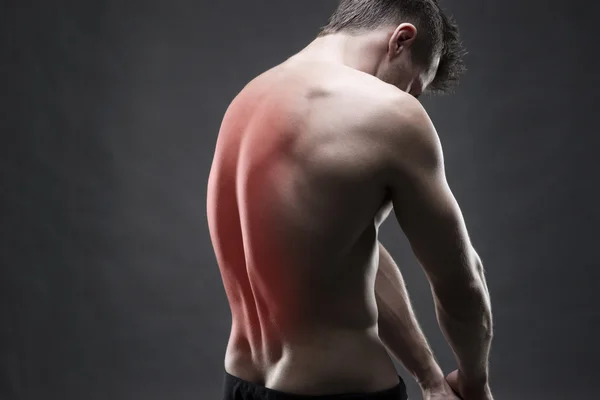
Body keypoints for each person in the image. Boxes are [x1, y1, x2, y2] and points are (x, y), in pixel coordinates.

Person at [207, 0, 494, 399]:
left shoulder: (246, 101)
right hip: (340, 391)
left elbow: (341, 254)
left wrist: (429, 376)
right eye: (414, 85)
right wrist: (473, 382)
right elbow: (462, 281)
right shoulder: (391, 112)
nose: (410, 99)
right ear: (401, 40)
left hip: (242, 383)